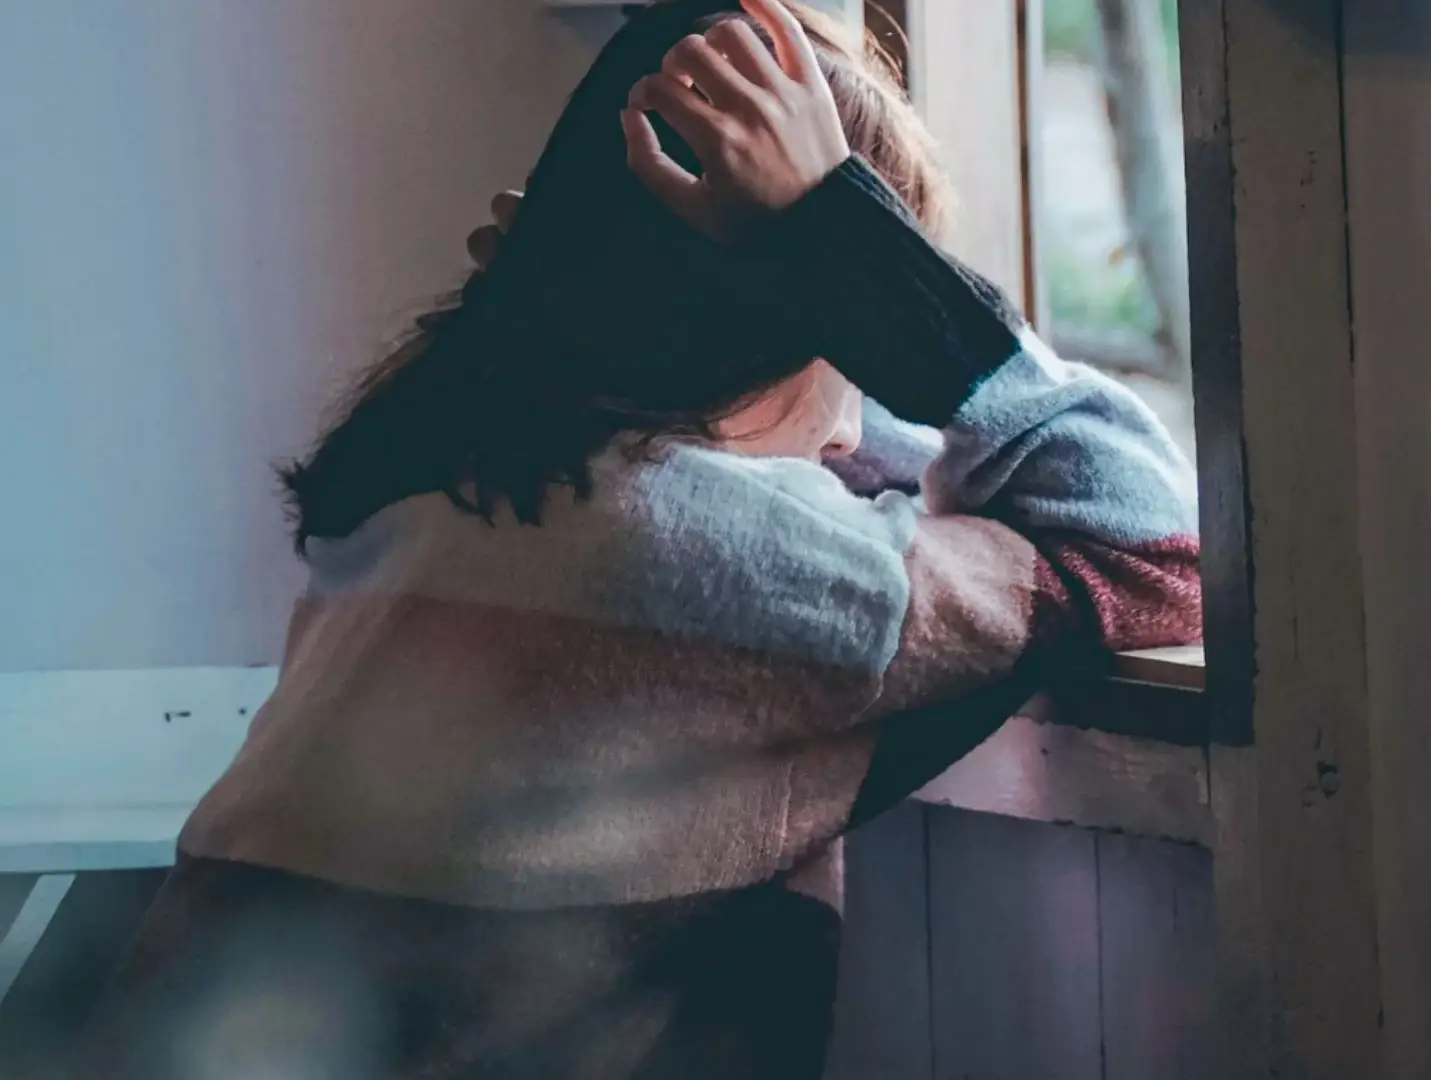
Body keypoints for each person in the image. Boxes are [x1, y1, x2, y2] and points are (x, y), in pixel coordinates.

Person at [73, 1, 1200, 1077]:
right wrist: (857, 249)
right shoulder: (731, 560)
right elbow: (1152, 541)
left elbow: (840, 453)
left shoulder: (436, 485)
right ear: (813, 322)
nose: (868, 413)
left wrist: (554, 295)